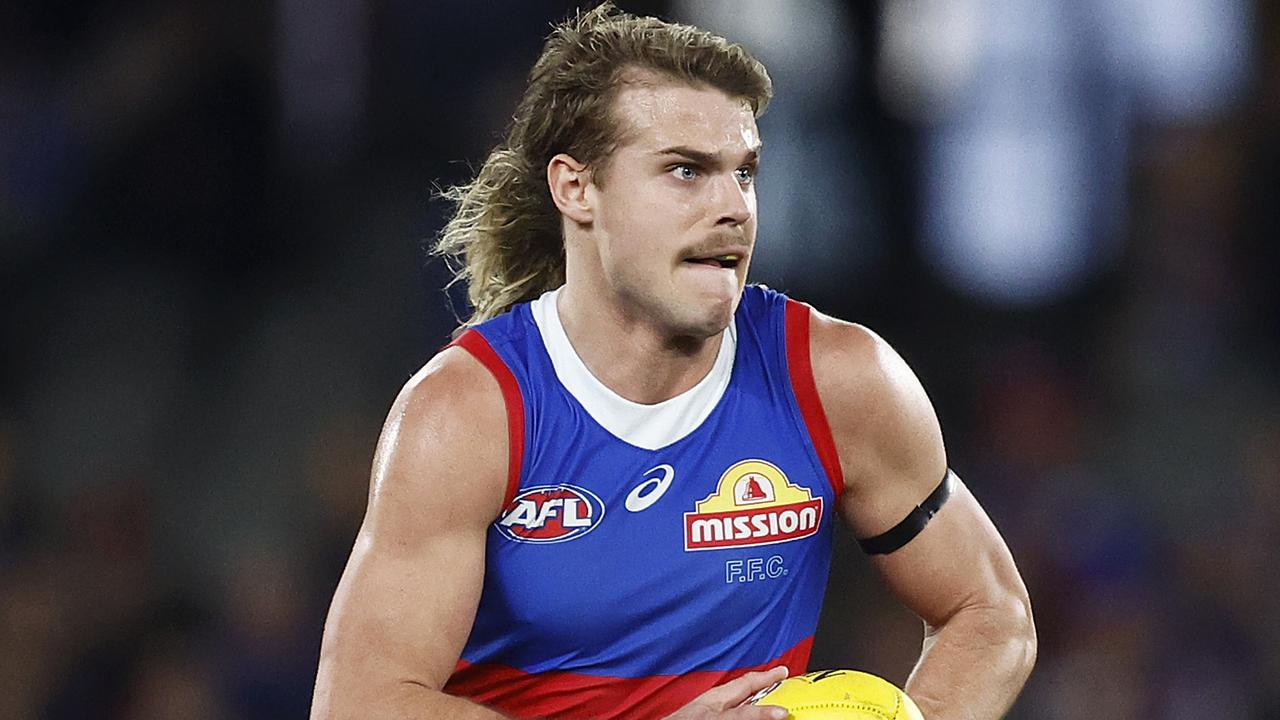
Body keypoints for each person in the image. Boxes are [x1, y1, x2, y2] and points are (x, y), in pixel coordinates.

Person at [310, 4, 1036, 719]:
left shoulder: (838, 378)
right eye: (687, 171)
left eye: (744, 172)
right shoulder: (470, 414)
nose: (734, 207)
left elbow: (991, 612)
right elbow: (359, 704)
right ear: (576, 188)